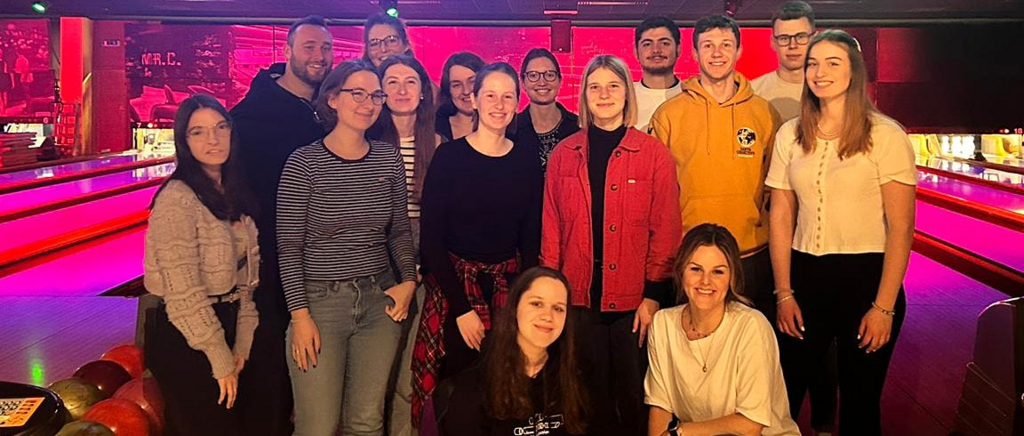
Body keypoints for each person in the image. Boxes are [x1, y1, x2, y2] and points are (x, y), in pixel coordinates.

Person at [767, 29, 916, 436]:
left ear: (855, 72)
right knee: (784, 394)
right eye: (813, 63)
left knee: (860, 400)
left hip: (866, 279)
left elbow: (902, 227)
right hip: (804, 276)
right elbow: (781, 215)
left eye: (833, 63)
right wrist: (784, 292)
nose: (819, 71)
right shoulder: (790, 134)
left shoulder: (885, 135)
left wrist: (883, 306)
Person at [541, 54, 681, 436]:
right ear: (584, 95)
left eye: (613, 86)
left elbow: (666, 230)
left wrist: (654, 295)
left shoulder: (654, 155)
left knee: (637, 398)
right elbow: (552, 231)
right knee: (587, 399)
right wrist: (554, 300)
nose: (604, 94)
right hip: (579, 301)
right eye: (594, 86)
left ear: (626, 93)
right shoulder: (563, 155)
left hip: (635, 303)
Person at [277, 59, 418, 436]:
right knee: (318, 427)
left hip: (378, 301)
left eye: (375, 95)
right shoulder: (303, 164)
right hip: (321, 305)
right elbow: (288, 248)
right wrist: (300, 316)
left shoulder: (388, 158)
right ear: (333, 99)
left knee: (367, 423)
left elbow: (400, 232)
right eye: (358, 93)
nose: (368, 103)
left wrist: (408, 281)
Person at [412, 62, 544, 425]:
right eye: (490, 95)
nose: (499, 104)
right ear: (473, 100)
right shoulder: (449, 157)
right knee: (458, 394)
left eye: (507, 96)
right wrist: (461, 308)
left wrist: (522, 301)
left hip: (507, 287)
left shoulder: (525, 158)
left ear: (517, 102)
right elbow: (432, 241)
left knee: (503, 388)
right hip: (456, 288)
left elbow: (530, 238)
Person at [229, 15, 334, 436]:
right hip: (268, 263)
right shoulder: (251, 115)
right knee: (270, 362)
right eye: (309, 47)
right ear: (287, 51)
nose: (318, 56)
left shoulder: (324, 112)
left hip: (319, 261)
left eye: (325, 48)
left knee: (311, 363)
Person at [143, 94, 260, 436]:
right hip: (185, 336)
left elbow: (247, 278)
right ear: (184, 140)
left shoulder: (233, 192)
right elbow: (184, 294)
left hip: (226, 325)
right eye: (199, 132)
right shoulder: (177, 199)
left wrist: (242, 340)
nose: (213, 139)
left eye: (221, 127)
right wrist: (219, 357)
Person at [649, 14, 780, 309]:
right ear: (694, 53)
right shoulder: (669, 114)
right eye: (708, 45)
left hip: (750, 255)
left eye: (725, 45)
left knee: (747, 350)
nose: (717, 53)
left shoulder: (764, 114)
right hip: (689, 255)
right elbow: (657, 194)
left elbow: (776, 190)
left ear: (739, 51)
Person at [645, 223, 800, 436]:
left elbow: (751, 425)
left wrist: (681, 432)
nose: (705, 281)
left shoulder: (751, 326)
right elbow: (660, 407)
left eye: (718, 272)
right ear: (681, 271)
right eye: (696, 269)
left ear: (732, 277)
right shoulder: (663, 324)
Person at [367, 54, 444, 436]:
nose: (401, 89)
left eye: (410, 81)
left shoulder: (440, 144)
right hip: (375, 267)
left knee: (407, 372)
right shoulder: (365, 142)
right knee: (372, 373)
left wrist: (417, 266)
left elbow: (442, 216)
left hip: (425, 265)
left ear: (423, 92)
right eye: (392, 81)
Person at [441, 267, 590, 436]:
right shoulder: (475, 385)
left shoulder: (578, 375)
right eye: (537, 304)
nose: (548, 316)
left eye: (558, 308)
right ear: (515, 307)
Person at [514, 48, 579, 172]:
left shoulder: (579, 128)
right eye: (533, 75)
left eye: (549, 75)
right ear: (523, 83)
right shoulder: (511, 130)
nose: (542, 82)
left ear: (560, 80)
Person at [751, 1, 817, 122]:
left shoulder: (829, 90)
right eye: (784, 38)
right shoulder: (753, 92)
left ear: (814, 38)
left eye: (801, 37)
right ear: (773, 42)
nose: (793, 45)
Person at [632, 17, 684, 133]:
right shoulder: (623, 97)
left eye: (664, 43)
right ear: (636, 51)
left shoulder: (692, 96)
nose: (656, 50)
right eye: (647, 44)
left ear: (678, 49)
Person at [435, 52, 486, 141]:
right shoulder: (435, 127)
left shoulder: (504, 124)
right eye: (457, 85)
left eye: (472, 82)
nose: (466, 91)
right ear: (448, 90)